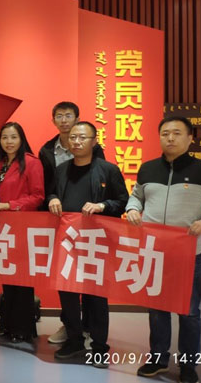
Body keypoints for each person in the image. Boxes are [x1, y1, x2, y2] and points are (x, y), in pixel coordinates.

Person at [129, 116, 201, 383]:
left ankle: (188, 365)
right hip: (154, 252)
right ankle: (158, 359)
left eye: (176, 133)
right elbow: (136, 196)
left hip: (187, 253)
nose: (170, 138)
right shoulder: (148, 168)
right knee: (156, 308)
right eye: (165, 133)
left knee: (189, 311)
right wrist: (133, 209)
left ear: (190, 138)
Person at [47, 122, 128, 366]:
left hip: (96, 243)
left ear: (94, 141)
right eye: (73, 137)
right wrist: (52, 199)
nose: (76, 141)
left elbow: (123, 201)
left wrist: (102, 206)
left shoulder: (108, 170)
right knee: (68, 294)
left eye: (82, 137)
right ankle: (74, 341)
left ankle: (100, 347)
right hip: (68, 242)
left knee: (96, 297)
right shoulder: (61, 169)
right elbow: (50, 192)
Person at [39, 101, 105, 345]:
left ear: (77, 119)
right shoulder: (47, 150)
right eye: (59, 116)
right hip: (61, 221)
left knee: (90, 280)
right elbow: (47, 186)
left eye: (68, 116)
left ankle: (90, 328)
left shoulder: (95, 150)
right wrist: (52, 198)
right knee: (65, 277)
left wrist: (99, 206)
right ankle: (70, 327)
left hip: (89, 224)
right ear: (53, 120)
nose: (64, 120)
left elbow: (101, 182)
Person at [0, 121, 44, 343]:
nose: (9, 142)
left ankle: (23, 329)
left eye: (13, 137)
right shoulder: (1, 164)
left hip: (22, 228)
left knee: (22, 280)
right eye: (4, 138)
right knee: (8, 277)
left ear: (21, 139)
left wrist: (9, 205)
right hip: (3, 230)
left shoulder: (32, 162)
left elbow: (38, 196)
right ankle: (7, 324)